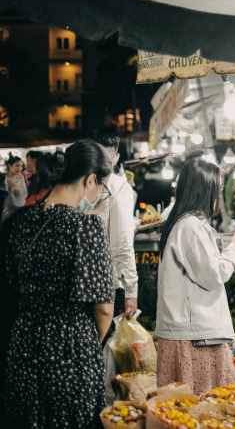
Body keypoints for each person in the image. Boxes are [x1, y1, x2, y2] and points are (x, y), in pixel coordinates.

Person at [3, 142, 114, 427]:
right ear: (90, 180)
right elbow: (104, 310)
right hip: (71, 347)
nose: (101, 194)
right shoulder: (86, 227)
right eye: (102, 187)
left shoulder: (19, 221)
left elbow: (12, 285)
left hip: (23, 345)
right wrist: (87, 345)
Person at [155, 159, 235, 394]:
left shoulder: (184, 223)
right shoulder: (191, 226)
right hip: (193, 337)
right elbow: (213, 274)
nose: (218, 196)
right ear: (205, 191)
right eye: (216, 189)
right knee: (202, 409)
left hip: (191, 334)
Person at [91, 127, 139, 320]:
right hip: (108, 287)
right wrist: (131, 292)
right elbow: (122, 246)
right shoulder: (118, 187)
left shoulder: (73, 184)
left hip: (77, 285)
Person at [2, 156, 27, 224]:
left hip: (21, 212)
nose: (19, 168)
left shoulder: (21, 178)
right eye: (17, 166)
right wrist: (11, 192)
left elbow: (25, 194)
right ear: (9, 166)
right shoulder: (4, 180)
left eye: (21, 166)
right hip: (9, 214)